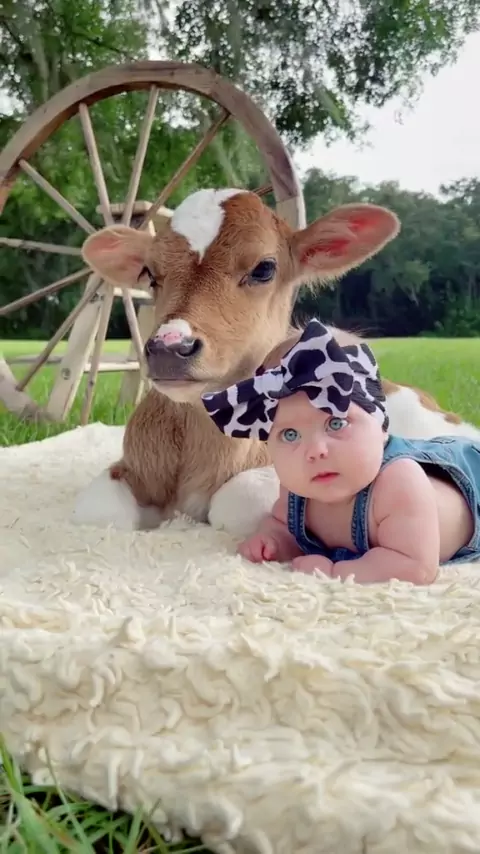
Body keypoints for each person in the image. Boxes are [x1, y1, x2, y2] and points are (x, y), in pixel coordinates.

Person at [201, 319, 480, 585]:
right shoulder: (297, 487)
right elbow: (283, 526)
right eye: (290, 435)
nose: (315, 451)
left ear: (380, 423)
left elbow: (415, 567)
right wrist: (273, 541)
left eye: (336, 423)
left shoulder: (399, 483)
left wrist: (335, 571)